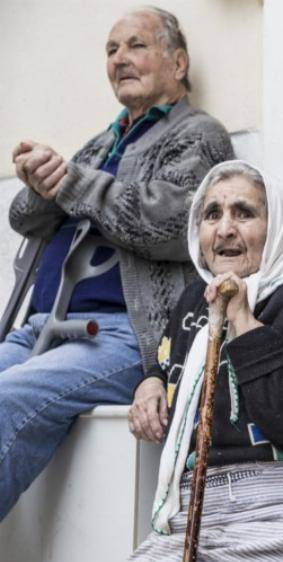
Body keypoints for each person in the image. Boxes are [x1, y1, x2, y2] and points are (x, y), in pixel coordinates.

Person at [85, 160, 283, 562]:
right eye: (212, 215)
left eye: (243, 213)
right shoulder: (194, 301)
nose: (225, 229)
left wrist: (243, 320)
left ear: (275, 225)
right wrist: (149, 382)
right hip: (209, 520)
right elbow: (173, 362)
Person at [1, 6, 233, 520]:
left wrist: (70, 182)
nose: (120, 59)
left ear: (177, 62)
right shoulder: (101, 141)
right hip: (41, 328)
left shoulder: (198, 134)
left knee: (7, 397)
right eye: (111, 50)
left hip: (122, 335)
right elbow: (25, 219)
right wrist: (39, 181)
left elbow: (172, 224)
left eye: (135, 45)